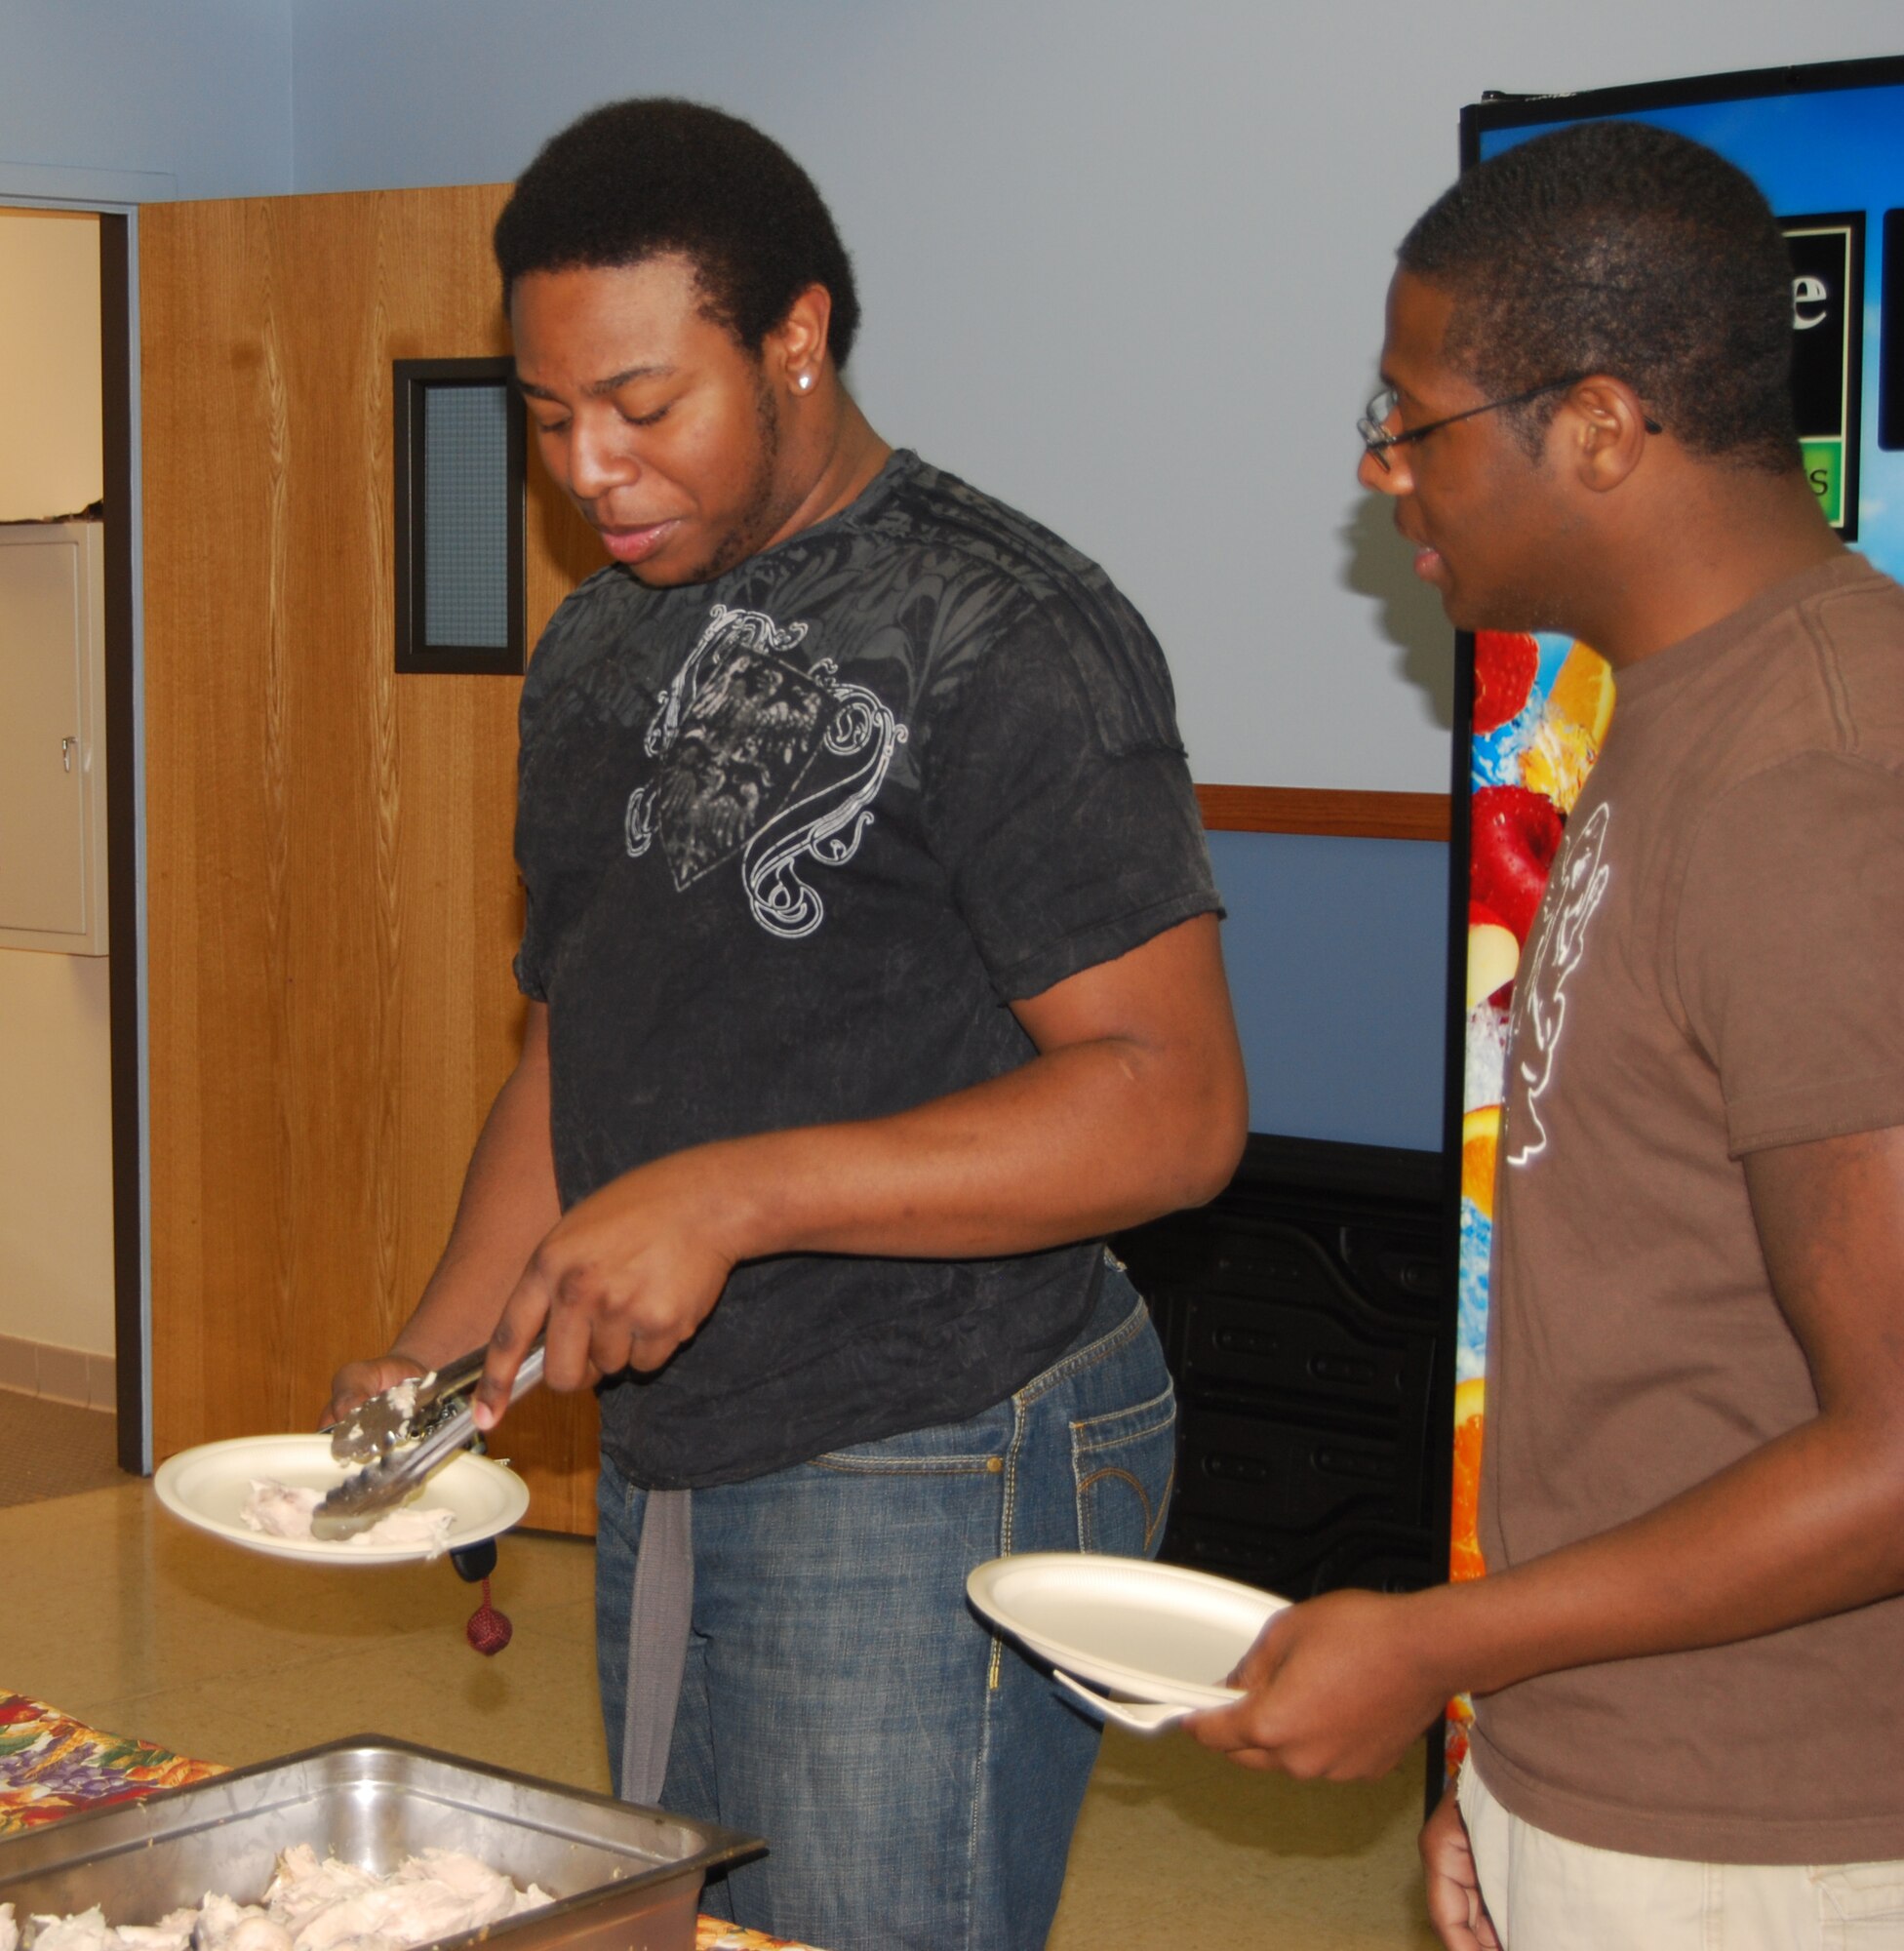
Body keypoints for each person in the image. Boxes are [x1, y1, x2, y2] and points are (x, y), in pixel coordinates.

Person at [326, 98, 1248, 1951]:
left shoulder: (1010, 632)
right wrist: (432, 1360)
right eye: (550, 414)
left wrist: (731, 1196)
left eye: (646, 406)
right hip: (689, 1437)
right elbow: (574, 1043)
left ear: (800, 338)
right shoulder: (597, 645)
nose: (590, 464)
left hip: (939, 1429)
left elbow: (1173, 1109)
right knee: (696, 1925)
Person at [1186, 119, 1904, 1950]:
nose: (1381, 468)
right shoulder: (1671, 710)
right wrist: (1511, 1758)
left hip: (1773, 1838)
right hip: (1617, 1778)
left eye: (1413, 416)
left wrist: (1436, 1650)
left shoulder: (1813, 770)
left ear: (1595, 424)